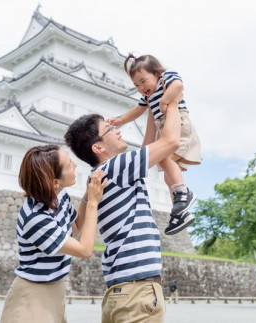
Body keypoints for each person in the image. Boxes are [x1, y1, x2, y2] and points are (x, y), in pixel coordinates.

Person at [64, 100, 182, 322]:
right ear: (98, 148)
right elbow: (171, 141)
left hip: (121, 290)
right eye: (109, 129)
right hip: (137, 291)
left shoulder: (100, 174)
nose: (117, 131)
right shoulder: (115, 167)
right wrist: (172, 101)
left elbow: (148, 147)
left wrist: (150, 107)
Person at [0, 144, 107, 323]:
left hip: (55, 289)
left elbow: (75, 226)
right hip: (32, 296)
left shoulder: (59, 197)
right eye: (69, 164)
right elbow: (85, 250)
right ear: (55, 182)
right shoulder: (35, 218)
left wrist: (88, 195)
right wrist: (93, 203)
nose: (75, 165)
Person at [106, 53, 201, 235]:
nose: (141, 87)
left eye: (143, 81)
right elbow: (137, 110)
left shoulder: (166, 78)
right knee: (167, 176)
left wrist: (165, 100)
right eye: (136, 85)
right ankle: (181, 212)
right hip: (163, 126)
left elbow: (179, 85)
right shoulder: (148, 97)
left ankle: (183, 191)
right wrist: (120, 120)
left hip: (178, 123)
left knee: (162, 156)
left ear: (157, 73)